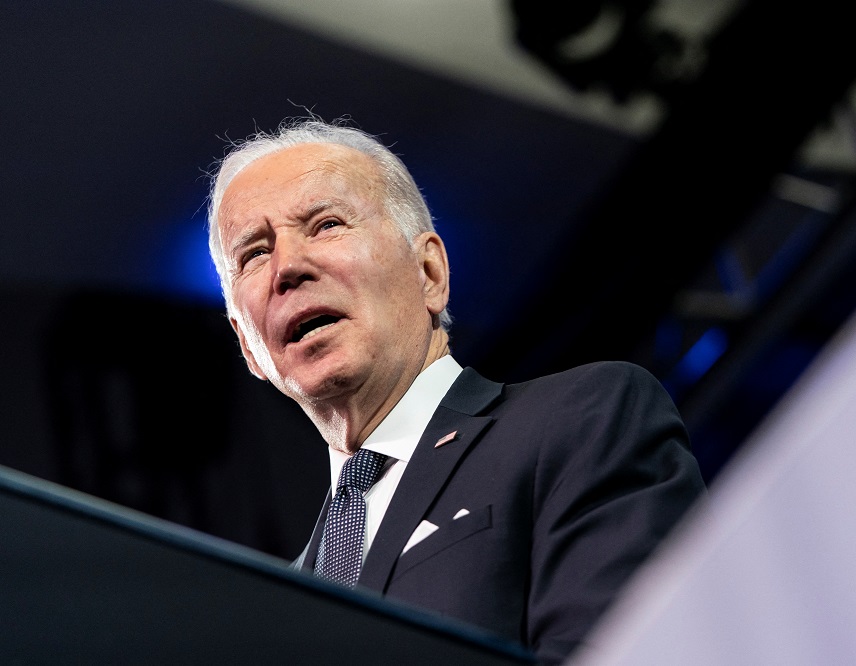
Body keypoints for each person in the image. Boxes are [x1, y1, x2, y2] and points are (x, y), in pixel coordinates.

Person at [206, 116, 706, 665]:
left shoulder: (579, 419)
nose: (287, 268)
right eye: (253, 253)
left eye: (326, 224)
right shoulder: (274, 605)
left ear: (429, 272)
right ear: (249, 347)